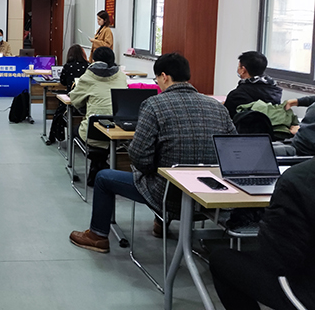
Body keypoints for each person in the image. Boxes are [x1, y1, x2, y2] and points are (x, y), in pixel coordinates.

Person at [69, 53, 236, 253]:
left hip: (168, 196)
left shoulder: (154, 105)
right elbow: (232, 154)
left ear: (164, 76)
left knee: (104, 178)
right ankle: (160, 223)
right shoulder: (218, 108)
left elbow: (139, 157)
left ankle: (98, 236)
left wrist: (151, 168)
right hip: (210, 197)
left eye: (157, 79)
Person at [209, 157, 315, 310]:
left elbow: (277, 259)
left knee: (221, 260)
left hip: (306, 292)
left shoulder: (298, 179)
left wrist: (268, 220)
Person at [69, 47, 127, 180]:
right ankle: (99, 166)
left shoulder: (88, 76)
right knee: (103, 137)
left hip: (94, 132)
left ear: (94, 61)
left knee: (75, 130)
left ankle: (88, 166)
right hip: (118, 132)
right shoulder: (121, 76)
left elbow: (75, 100)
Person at [46, 45, 90, 145]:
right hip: (86, 101)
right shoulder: (88, 66)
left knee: (59, 112)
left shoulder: (68, 66)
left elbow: (63, 82)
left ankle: (53, 137)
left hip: (72, 100)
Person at [224, 51, 282, 118]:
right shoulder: (275, 91)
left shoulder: (236, 95)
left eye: (239, 67)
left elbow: (224, 118)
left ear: (243, 70)